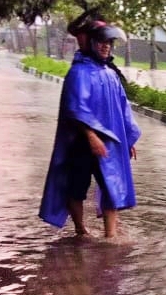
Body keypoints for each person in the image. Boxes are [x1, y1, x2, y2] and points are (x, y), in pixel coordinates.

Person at [38, 18, 140, 239]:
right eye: (102, 42)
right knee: (77, 188)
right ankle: (80, 230)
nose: (106, 46)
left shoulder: (111, 74)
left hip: (109, 144)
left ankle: (110, 237)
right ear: (91, 43)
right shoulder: (79, 73)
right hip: (81, 145)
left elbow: (123, 109)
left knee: (112, 188)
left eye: (109, 43)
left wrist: (129, 139)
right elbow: (75, 108)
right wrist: (91, 136)